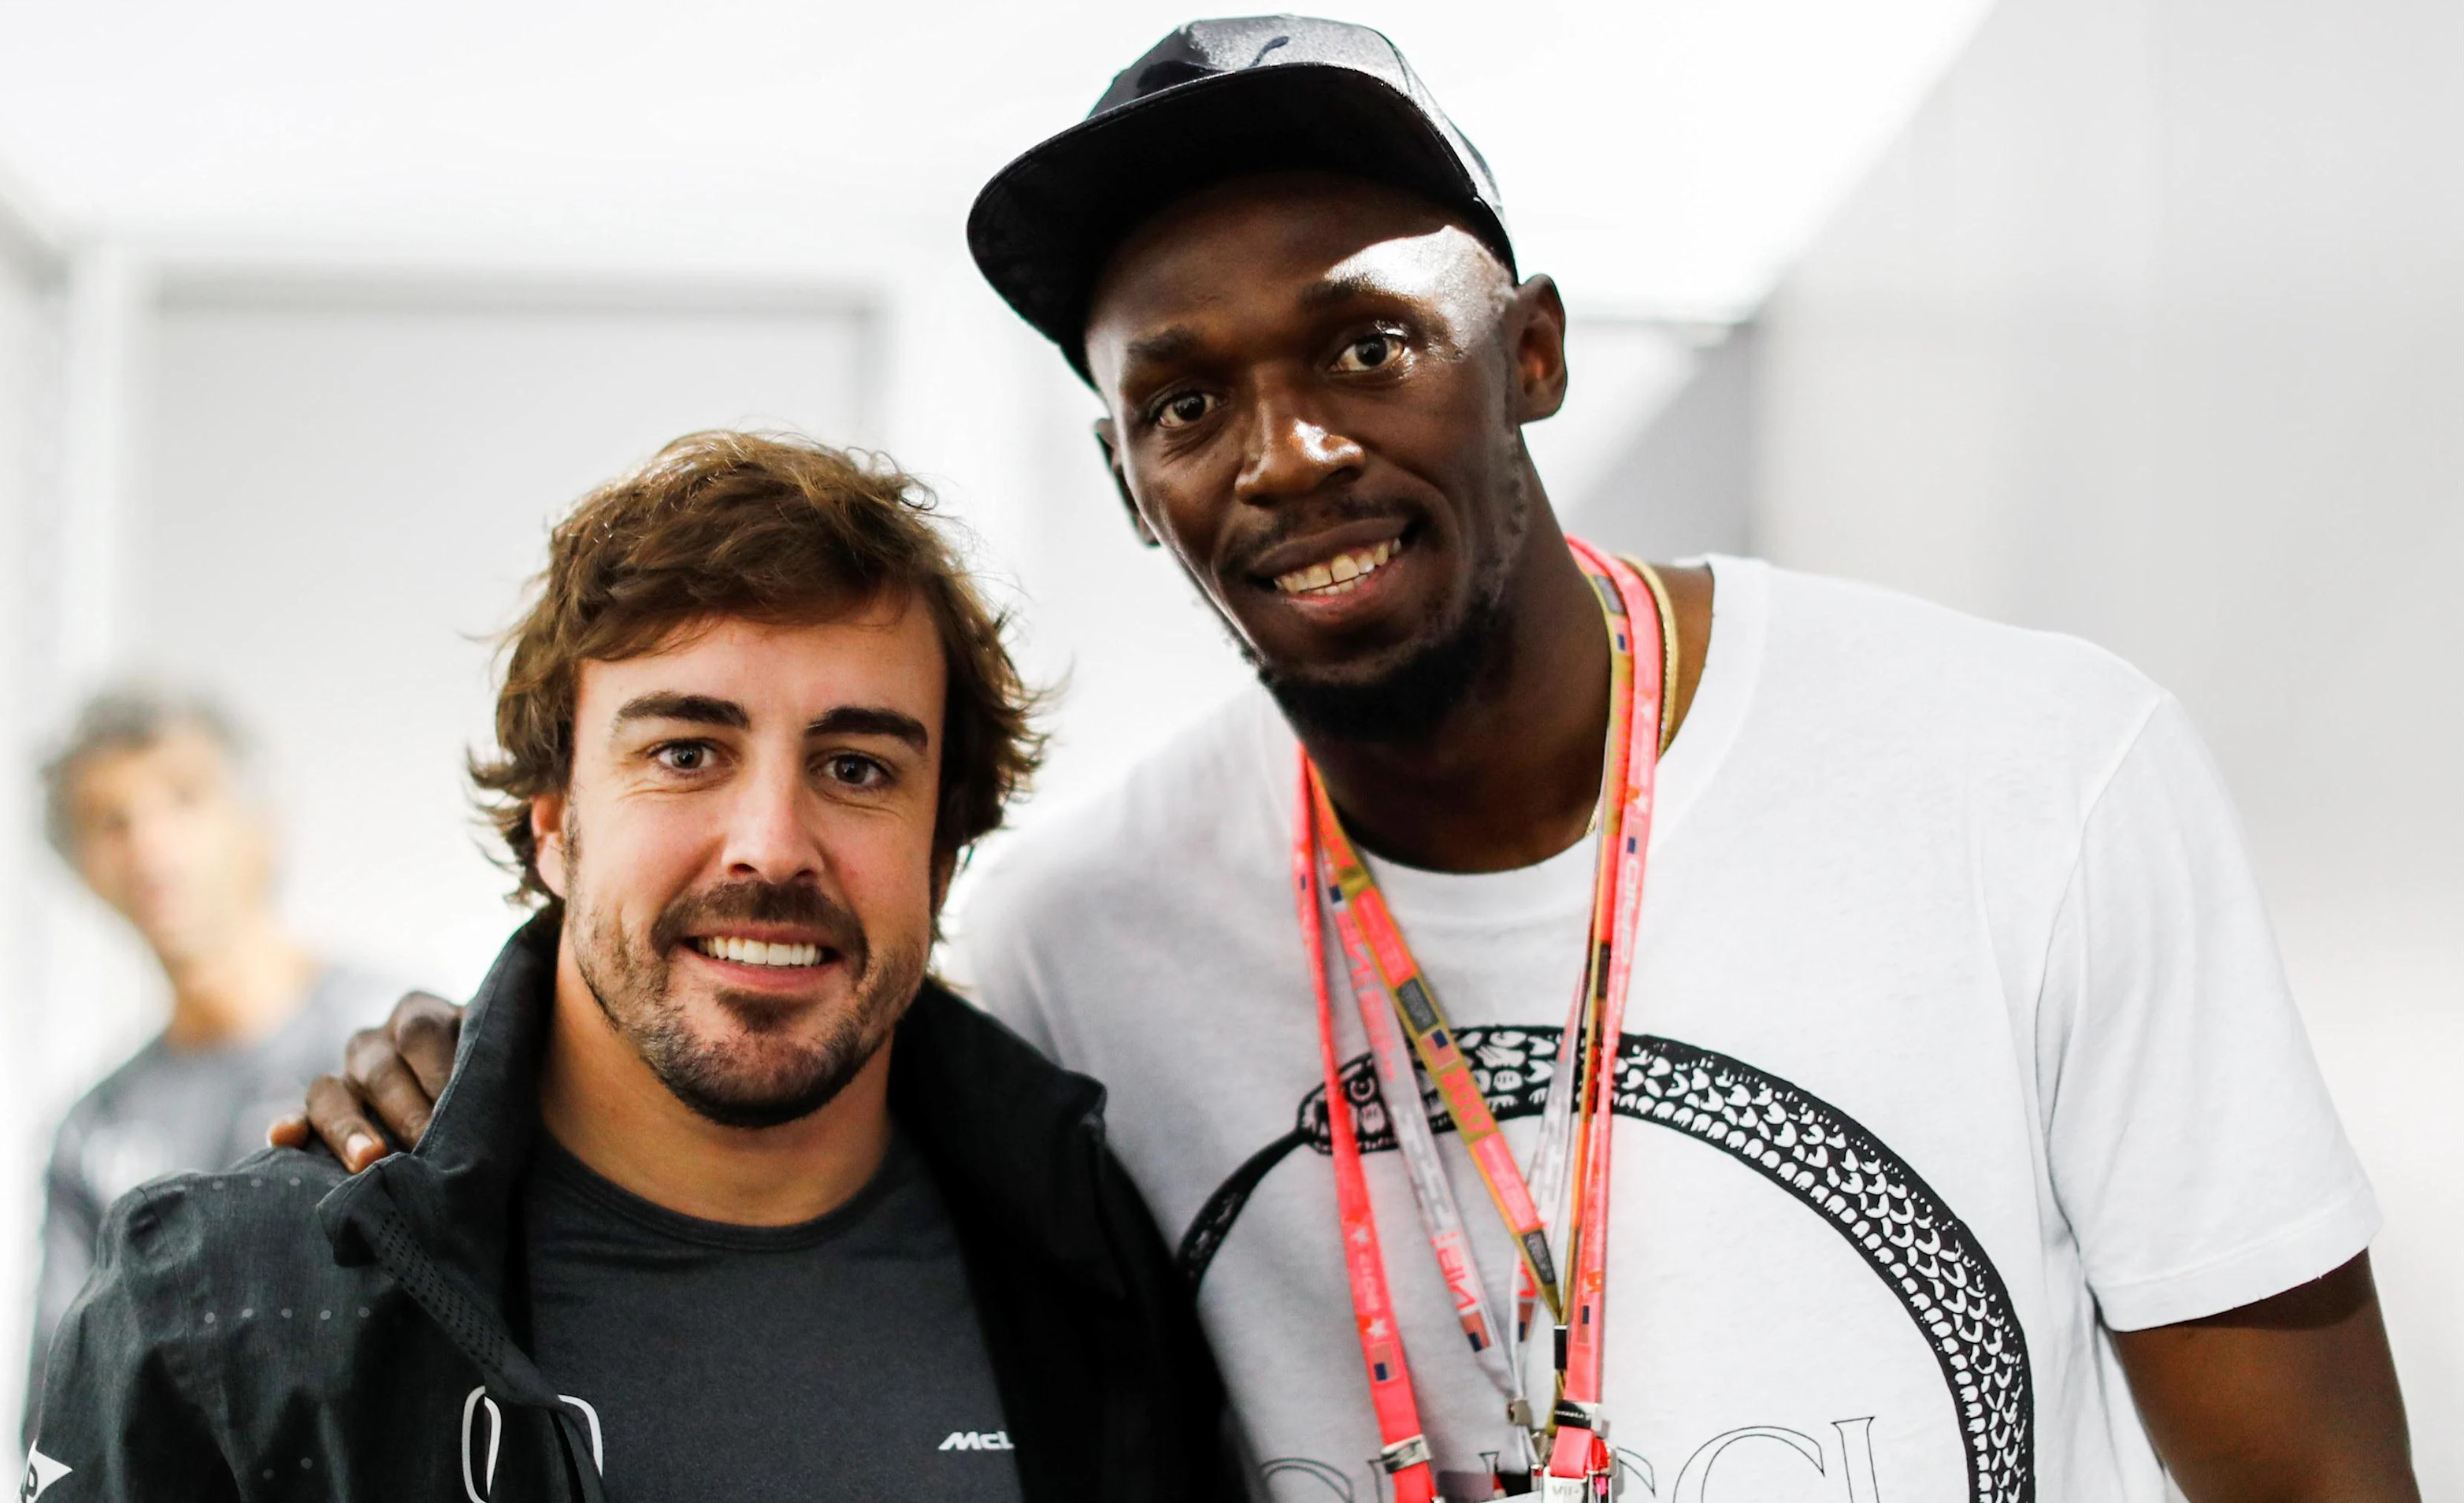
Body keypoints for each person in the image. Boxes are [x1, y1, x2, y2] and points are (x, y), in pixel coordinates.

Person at [292, 18, 2418, 1502]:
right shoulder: (1073, 942)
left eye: (1369, 343)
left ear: (1539, 350)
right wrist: (453, 1078)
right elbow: (747, 1107)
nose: (1288, 450)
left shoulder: (2033, 776)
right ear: (1135, 486)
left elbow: (2316, 1472)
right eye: (1186, 402)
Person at [30, 433, 1239, 1502]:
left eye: (859, 768)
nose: (771, 844)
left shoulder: (1097, 1266)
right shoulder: (225, 1306)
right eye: (686, 752)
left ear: (942, 855)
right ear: (555, 826)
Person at [25, 687, 408, 1435]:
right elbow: (63, 1415)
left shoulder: (399, 1040)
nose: (147, 844)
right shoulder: (95, 1130)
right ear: (81, 872)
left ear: (260, 829)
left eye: (183, 799)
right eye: (109, 820)